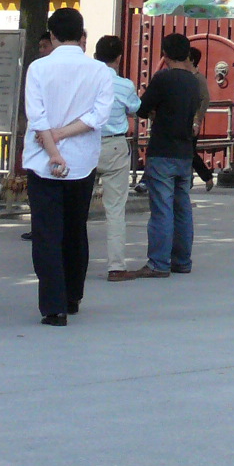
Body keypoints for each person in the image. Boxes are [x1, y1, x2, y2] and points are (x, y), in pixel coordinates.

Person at [21, 7, 117, 324]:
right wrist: (63, 138)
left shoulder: (38, 68)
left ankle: (54, 306)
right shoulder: (100, 71)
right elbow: (98, 116)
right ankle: (73, 295)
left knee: (46, 233)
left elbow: (37, 117)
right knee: (75, 230)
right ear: (81, 34)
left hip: (42, 162)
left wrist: (53, 151)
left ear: (51, 35)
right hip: (82, 162)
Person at [132, 33, 205, 279]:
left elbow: (142, 108)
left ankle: (158, 262)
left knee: (162, 209)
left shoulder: (163, 78)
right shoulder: (194, 81)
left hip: (163, 149)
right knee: (182, 207)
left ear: (164, 54)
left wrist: (155, 112)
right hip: (185, 151)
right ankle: (182, 260)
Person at [91, 36, 141, 284]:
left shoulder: (85, 82)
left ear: (95, 55)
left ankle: (69, 263)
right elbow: (135, 108)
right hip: (114, 146)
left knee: (75, 209)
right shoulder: (124, 85)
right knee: (115, 210)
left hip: (85, 145)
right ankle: (116, 267)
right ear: (120, 58)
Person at [186, 47, 215, 190]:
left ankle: (206, 177)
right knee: (187, 152)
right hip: (181, 118)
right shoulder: (184, 76)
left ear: (191, 60)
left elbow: (205, 99)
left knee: (189, 152)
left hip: (192, 120)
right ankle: (194, 178)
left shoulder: (198, 78)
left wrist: (197, 120)